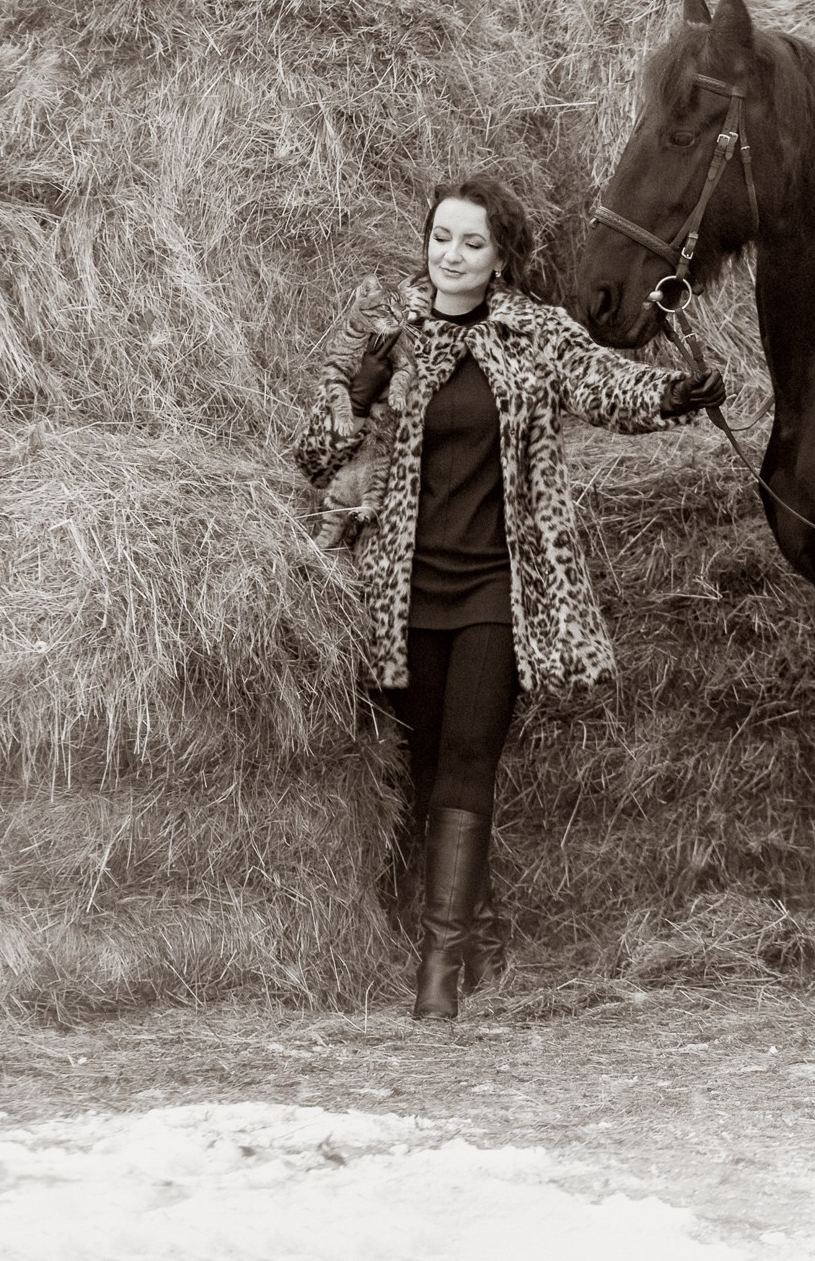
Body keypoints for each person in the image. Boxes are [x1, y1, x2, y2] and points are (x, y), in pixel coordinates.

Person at [293, 173, 723, 1020]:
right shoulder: (382, 332)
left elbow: (608, 385)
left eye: (472, 243)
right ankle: (480, 932)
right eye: (441, 237)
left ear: (500, 258)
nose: (451, 255)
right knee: (423, 771)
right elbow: (312, 455)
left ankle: (439, 970)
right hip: (401, 592)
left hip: (500, 586)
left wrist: (672, 395)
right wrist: (360, 395)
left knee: (467, 761)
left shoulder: (534, 334)